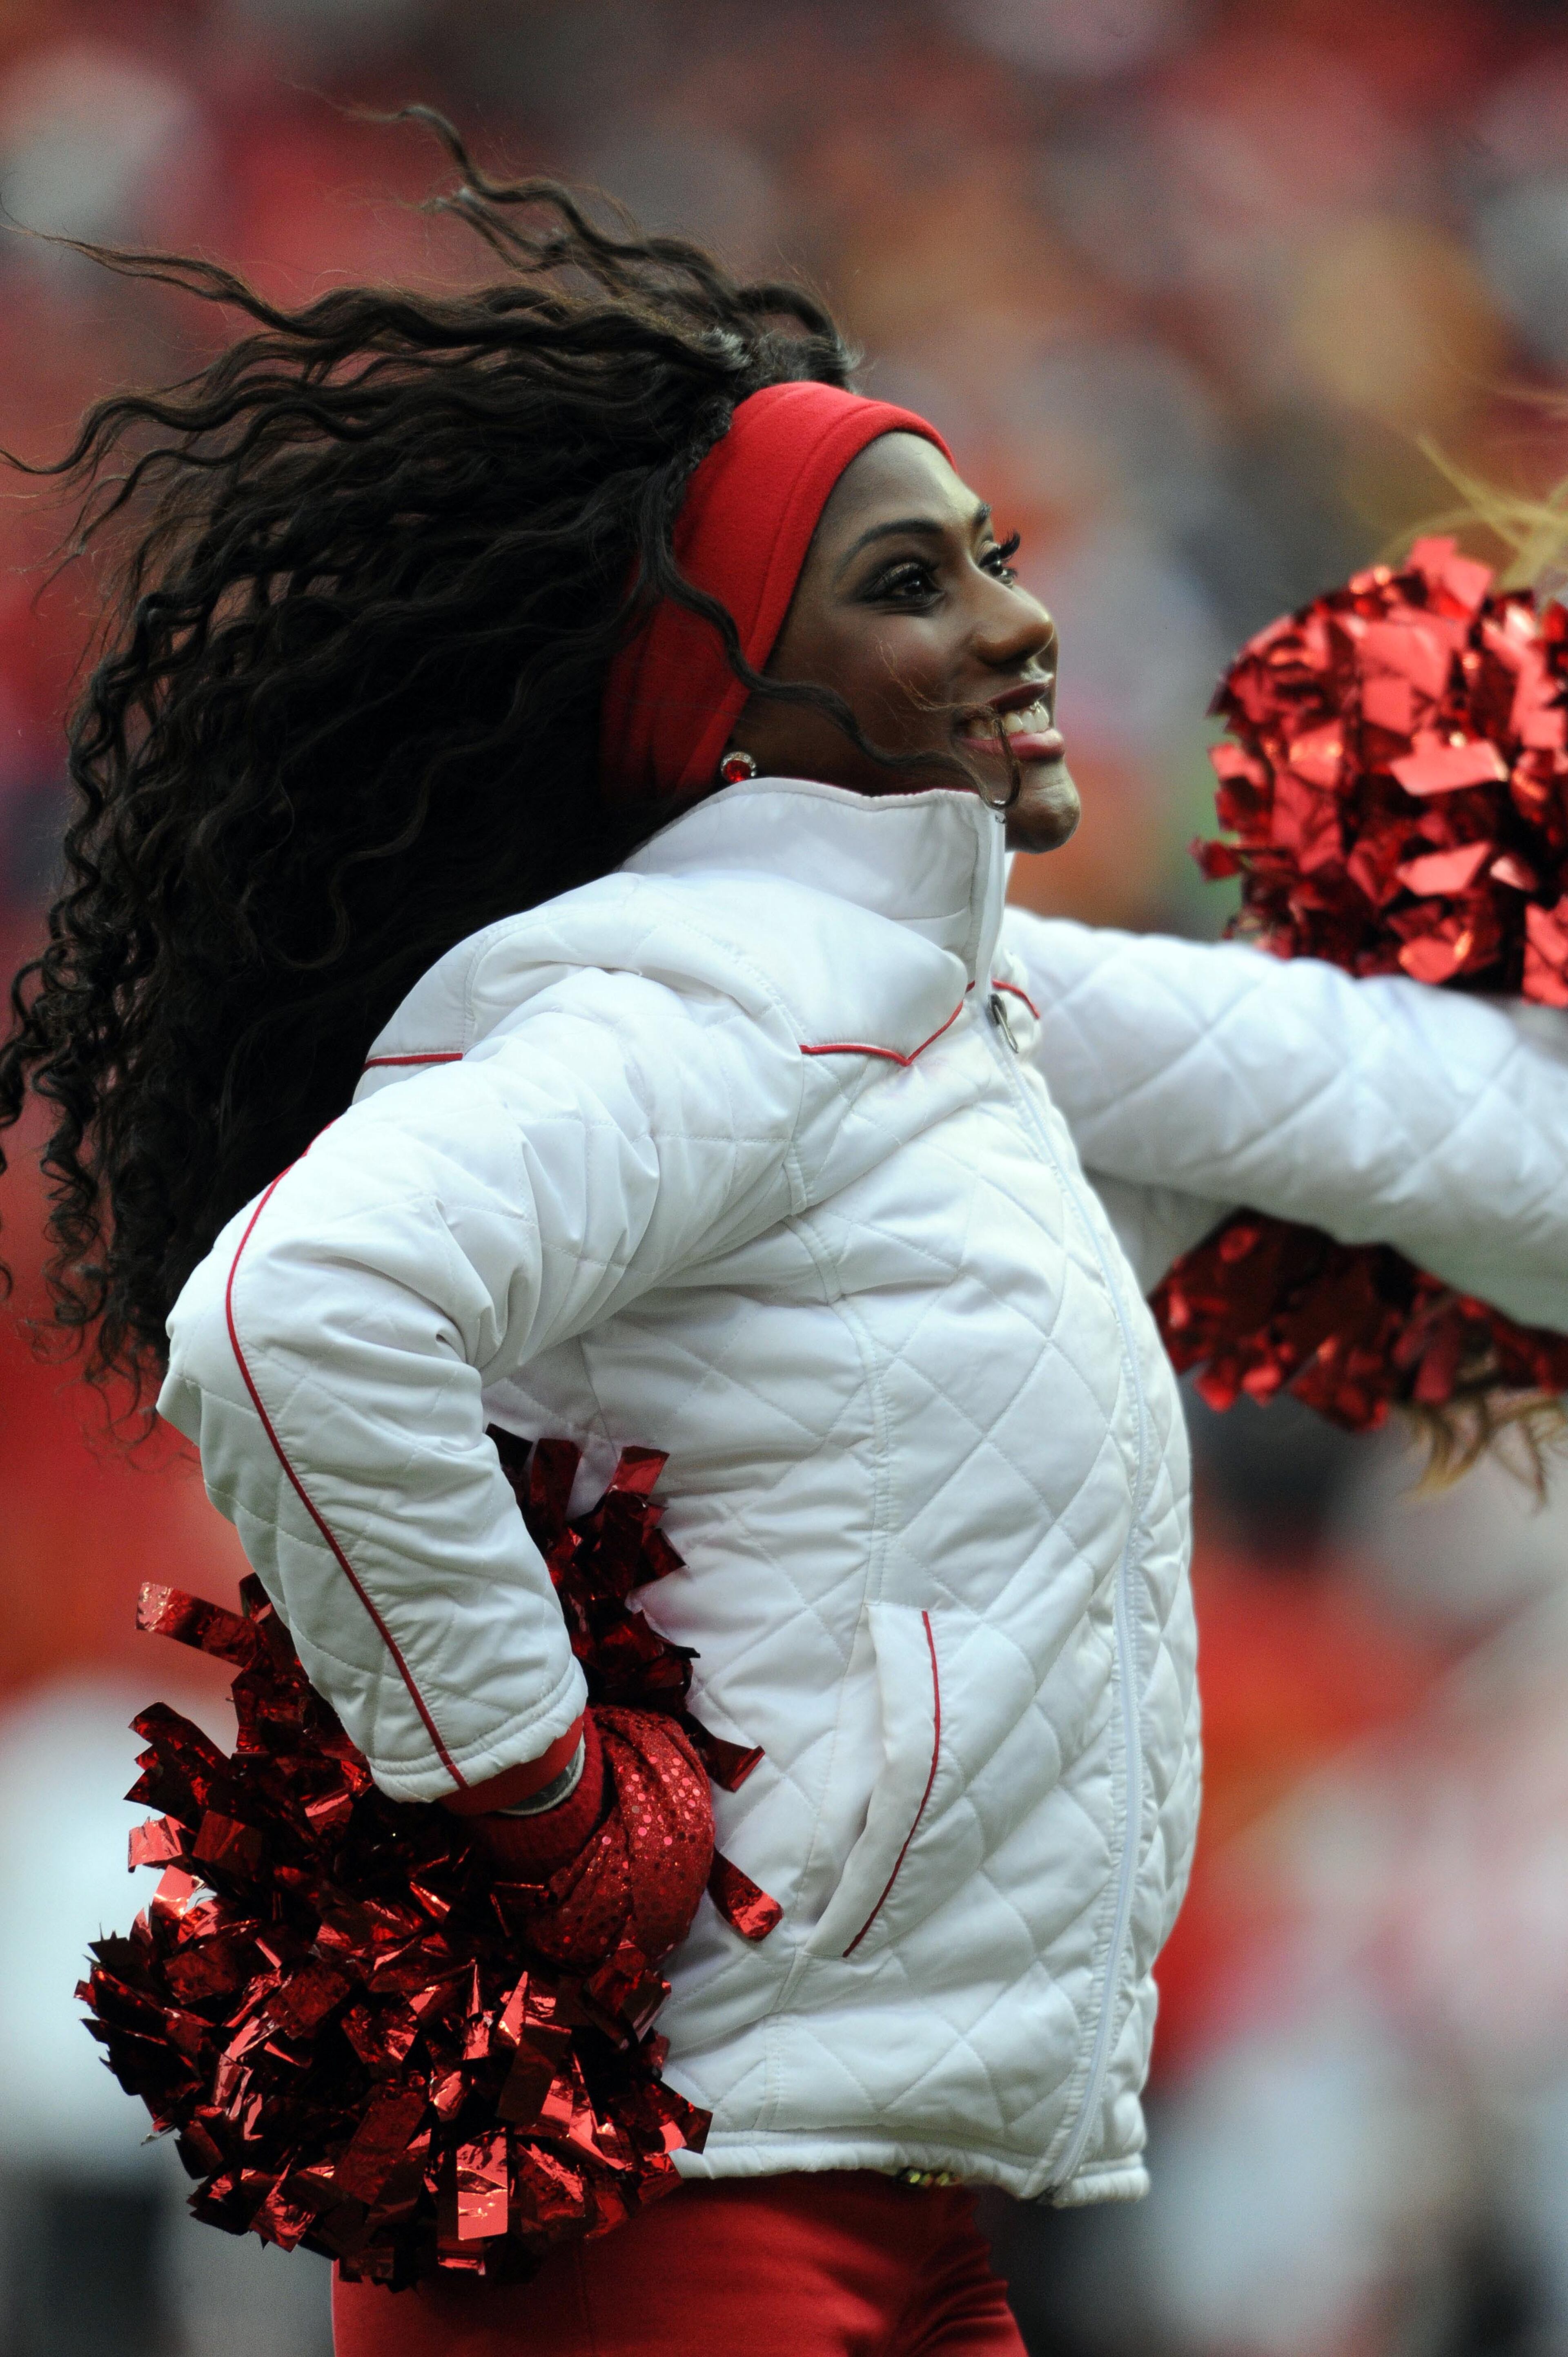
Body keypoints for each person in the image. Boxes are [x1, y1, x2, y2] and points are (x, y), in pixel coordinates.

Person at [4, 126, 1568, 2357]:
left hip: (885, 2189)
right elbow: (293, 1313)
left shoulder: (964, 1007)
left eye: (998, 557)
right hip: (671, 2225)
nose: (1022, 620)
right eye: (915, 587)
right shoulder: (697, 1002)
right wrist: (537, 1812)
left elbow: (1473, 1141)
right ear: (726, 700)